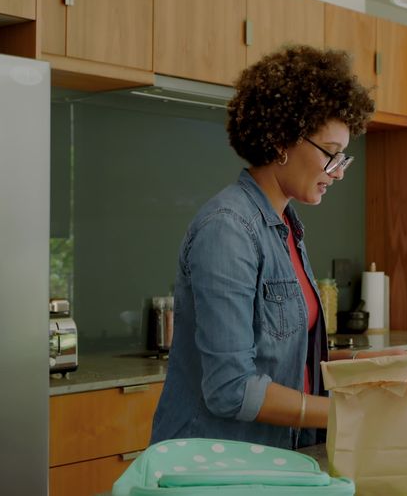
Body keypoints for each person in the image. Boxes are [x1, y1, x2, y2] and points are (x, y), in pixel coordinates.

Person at [150, 45, 389, 450]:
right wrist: (345, 412)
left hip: (271, 458)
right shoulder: (228, 229)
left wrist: (371, 375)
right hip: (214, 466)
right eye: (331, 154)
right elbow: (231, 388)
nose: (338, 172)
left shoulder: (284, 228)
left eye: (342, 158)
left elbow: (288, 360)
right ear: (281, 139)